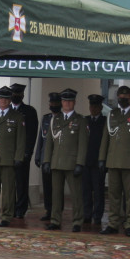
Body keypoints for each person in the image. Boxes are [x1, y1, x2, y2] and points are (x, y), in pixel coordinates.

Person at [98, 86, 130, 236]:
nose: (122, 98)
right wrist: (102, 158)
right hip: (113, 160)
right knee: (113, 195)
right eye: (120, 96)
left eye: (125, 96)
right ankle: (113, 223)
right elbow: (105, 137)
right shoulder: (112, 114)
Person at [42, 88, 87, 232]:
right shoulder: (55, 119)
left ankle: (77, 221)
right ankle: (55, 220)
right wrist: (46, 161)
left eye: (69, 101)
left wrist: (80, 162)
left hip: (72, 163)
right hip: (56, 162)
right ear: (61, 102)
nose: (67, 104)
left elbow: (83, 144)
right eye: (64, 101)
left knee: (76, 194)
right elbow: (49, 142)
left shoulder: (80, 120)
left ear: (74, 102)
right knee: (56, 194)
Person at [0, 86, 25, 227]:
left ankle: (6, 216)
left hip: (8, 158)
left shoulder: (17, 117)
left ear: (10, 100)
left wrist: (18, 157)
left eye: (6, 98)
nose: (3, 100)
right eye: (1, 98)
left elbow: (21, 139)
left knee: (8, 190)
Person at [9, 83, 39, 219]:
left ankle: (21, 208)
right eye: (14, 93)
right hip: (8, 153)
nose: (16, 96)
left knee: (21, 182)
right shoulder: (6, 110)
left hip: (22, 154)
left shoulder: (29, 111)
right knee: (9, 182)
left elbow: (32, 134)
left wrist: (28, 152)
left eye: (18, 94)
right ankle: (9, 207)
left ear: (22, 95)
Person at [33, 92, 62, 221]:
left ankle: (57, 211)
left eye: (56, 103)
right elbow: (41, 138)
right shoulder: (46, 118)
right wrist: (38, 155)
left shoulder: (63, 118)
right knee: (47, 186)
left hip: (58, 158)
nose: (53, 105)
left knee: (57, 187)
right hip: (46, 157)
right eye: (52, 103)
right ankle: (48, 210)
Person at [82, 94, 107, 227]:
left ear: (101, 107)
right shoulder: (84, 120)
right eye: (92, 106)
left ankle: (97, 216)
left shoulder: (105, 121)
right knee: (85, 190)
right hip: (86, 160)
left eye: (96, 106)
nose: (93, 108)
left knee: (98, 191)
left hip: (98, 162)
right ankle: (87, 214)